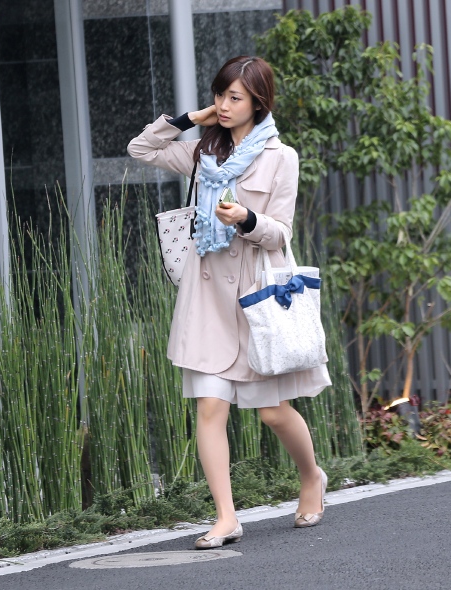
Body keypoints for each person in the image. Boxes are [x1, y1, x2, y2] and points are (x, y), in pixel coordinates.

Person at [127, 55, 332, 549]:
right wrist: (189, 119)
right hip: (206, 299)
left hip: (255, 297)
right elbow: (140, 148)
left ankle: (312, 476)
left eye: (234, 97)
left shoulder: (282, 157)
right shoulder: (203, 150)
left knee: (273, 412)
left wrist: (245, 218)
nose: (223, 104)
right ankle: (226, 517)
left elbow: (281, 233)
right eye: (219, 94)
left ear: (258, 102)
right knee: (210, 407)